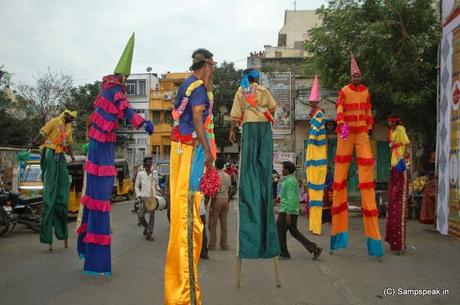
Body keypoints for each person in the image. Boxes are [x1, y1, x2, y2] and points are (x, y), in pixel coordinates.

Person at [76, 33, 154, 279]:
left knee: (96, 198)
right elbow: (127, 110)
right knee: (99, 200)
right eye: (127, 78)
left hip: (98, 145)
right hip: (101, 147)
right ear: (123, 76)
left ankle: (88, 254)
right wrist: (144, 124)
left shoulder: (105, 89)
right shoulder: (116, 90)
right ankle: (97, 262)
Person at [164, 48, 216, 305]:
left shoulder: (191, 84)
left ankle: (185, 288)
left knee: (190, 211)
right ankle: (184, 293)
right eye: (212, 67)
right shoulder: (196, 87)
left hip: (183, 151)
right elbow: (197, 119)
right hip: (188, 151)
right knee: (187, 214)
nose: (213, 71)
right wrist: (208, 151)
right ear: (205, 66)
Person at [331, 54, 383, 258]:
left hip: (361, 132)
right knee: (339, 177)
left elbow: (368, 110)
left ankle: (374, 242)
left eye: (358, 74)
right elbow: (340, 107)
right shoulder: (344, 91)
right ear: (350, 76)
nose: (356, 77)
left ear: (361, 76)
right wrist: (342, 124)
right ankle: (338, 238)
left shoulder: (366, 92)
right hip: (346, 132)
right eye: (354, 74)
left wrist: (368, 128)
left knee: (366, 178)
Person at [230, 68, 280, 259]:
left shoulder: (241, 92)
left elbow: (235, 115)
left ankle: (251, 179)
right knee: (263, 162)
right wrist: (263, 113)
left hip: (249, 126)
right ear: (256, 78)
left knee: (249, 163)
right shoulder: (262, 90)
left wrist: (233, 131)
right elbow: (273, 108)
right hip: (264, 127)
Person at [29, 109, 77, 251]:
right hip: (50, 153)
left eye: (73, 118)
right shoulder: (54, 121)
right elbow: (41, 134)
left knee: (62, 194)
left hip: (60, 155)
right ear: (66, 114)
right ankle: (47, 235)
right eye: (71, 117)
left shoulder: (68, 127)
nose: (72, 120)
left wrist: (72, 156)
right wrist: (33, 143)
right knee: (50, 193)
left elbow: (68, 145)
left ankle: (62, 233)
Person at [277, 161, 323, 260]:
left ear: (287, 170)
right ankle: (314, 248)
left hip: (286, 211)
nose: (282, 170)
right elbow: (288, 196)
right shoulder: (291, 180)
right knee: (294, 232)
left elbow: (291, 198)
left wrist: (288, 213)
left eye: (283, 168)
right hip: (291, 210)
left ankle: (284, 253)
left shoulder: (289, 181)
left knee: (279, 231)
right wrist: (278, 199)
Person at [385, 114, 411, 255]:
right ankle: (393, 241)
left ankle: (400, 243)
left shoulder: (400, 129)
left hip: (401, 167)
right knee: (393, 201)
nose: (390, 125)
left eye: (391, 122)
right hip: (394, 167)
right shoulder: (391, 132)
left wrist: (404, 163)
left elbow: (406, 146)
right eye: (388, 123)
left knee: (399, 201)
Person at [305, 75, 327, 235]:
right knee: (313, 194)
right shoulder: (315, 115)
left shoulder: (318, 115)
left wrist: (311, 142)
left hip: (317, 157)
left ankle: (316, 227)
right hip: (313, 157)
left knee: (316, 194)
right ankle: (314, 226)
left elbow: (314, 133)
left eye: (313, 103)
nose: (311, 105)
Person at [208, 158, 231, 251]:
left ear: (215, 165)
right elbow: (230, 189)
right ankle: (224, 244)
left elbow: (214, 192)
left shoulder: (215, 176)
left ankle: (212, 244)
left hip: (217, 199)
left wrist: (211, 205)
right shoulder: (227, 176)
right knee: (224, 223)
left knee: (213, 223)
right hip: (225, 199)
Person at [135, 157, 157, 241]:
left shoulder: (154, 173)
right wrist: (138, 196)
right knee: (141, 216)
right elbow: (136, 187)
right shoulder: (140, 174)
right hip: (143, 198)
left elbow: (156, 185)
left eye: (151, 161)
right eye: (148, 161)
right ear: (144, 164)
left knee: (152, 216)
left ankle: (149, 233)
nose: (150, 163)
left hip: (152, 198)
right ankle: (147, 227)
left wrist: (158, 192)